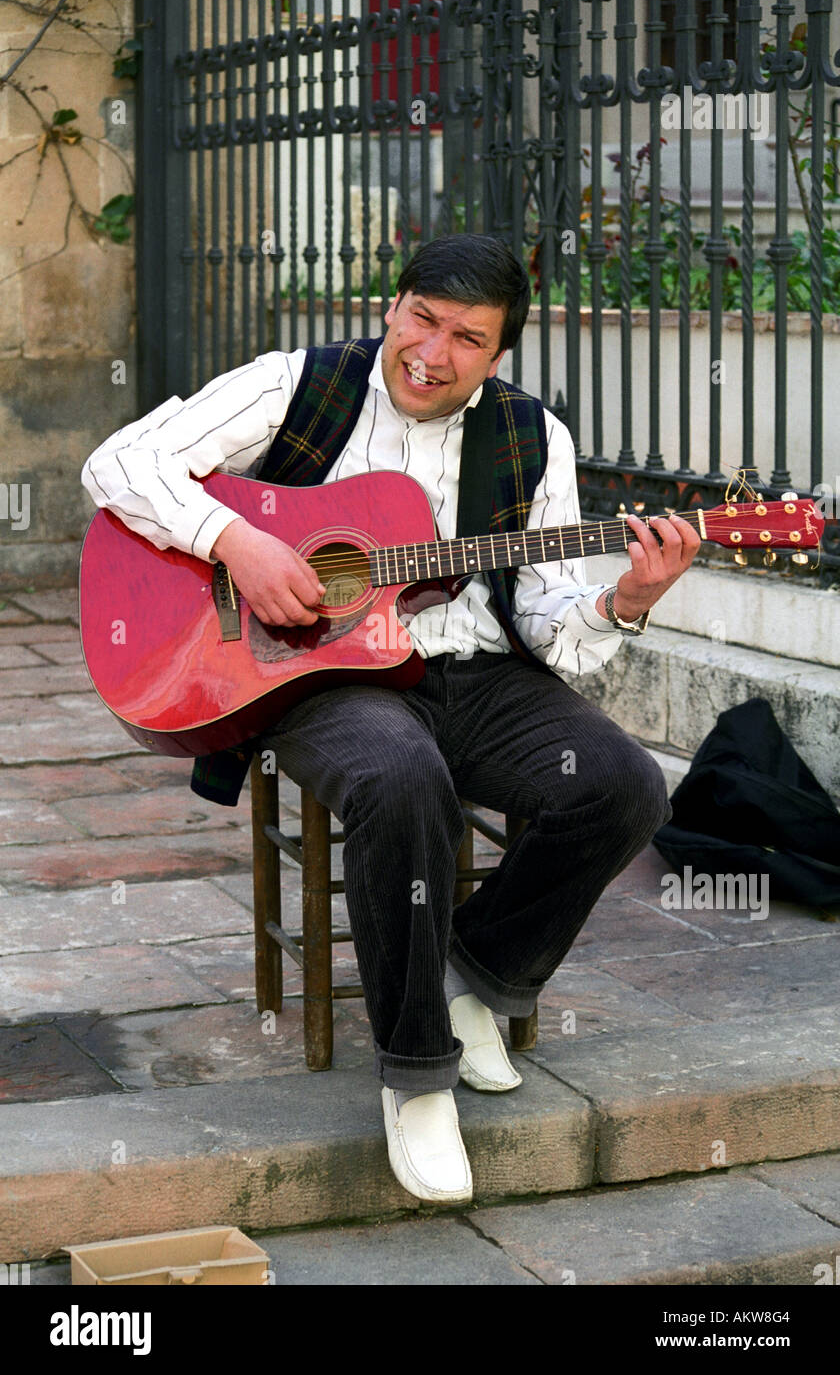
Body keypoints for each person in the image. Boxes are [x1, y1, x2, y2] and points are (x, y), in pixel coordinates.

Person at [82, 234, 700, 1205]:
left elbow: (547, 623)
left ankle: (478, 970)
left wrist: (624, 599)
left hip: (476, 672)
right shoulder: (298, 384)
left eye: (467, 337)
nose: (433, 350)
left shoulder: (533, 436)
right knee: (401, 780)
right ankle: (417, 1075)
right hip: (324, 677)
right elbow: (119, 463)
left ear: (497, 355)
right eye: (422, 318)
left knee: (624, 786)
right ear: (391, 306)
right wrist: (236, 540)